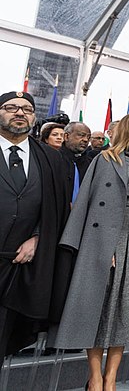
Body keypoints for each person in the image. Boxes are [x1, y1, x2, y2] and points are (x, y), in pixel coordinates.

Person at [52, 112, 129, 391]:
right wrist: (99, 246)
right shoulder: (105, 160)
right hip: (109, 239)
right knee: (99, 309)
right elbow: (87, 202)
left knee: (127, 312)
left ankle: (111, 379)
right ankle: (94, 378)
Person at [0, 91, 69, 367]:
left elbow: (57, 209)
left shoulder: (51, 159)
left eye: (27, 109)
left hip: (21, 267)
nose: (20, 113)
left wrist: (39, 236)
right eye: (11, 107)